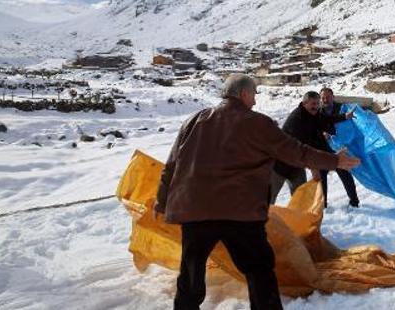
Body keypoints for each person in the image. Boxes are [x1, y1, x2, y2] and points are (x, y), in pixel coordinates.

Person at [154, 74, 359, 310]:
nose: (255, 101)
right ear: (243, 94)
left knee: (191, 272)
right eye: (253, 94)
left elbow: (171, 165)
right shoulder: (257, 123)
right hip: (239, 213)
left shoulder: (194, 120)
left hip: (195, 210)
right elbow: (296, 152)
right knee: (259, 270)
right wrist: (334, 161)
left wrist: (162, 200)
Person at [270, 90, 354, 205]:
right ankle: (259, 221)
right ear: (304, 103)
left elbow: (327, 119)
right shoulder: (297, 120)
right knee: (269, 198)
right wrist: (313, 166)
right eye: (313, 104)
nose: (316, 106)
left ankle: (299, 220)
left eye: (317, 103)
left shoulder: (314, 114)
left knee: (301, 197)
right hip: (279, 164)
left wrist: (345, 116)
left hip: (297, 164)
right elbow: (303, 148)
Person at [319, 87, 359, 208]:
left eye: (328, 97)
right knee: (322, 177)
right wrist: (322, 134)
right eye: (323, 97)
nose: (325, 99)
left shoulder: (342, 108)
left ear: (333, 97)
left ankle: (354, 202)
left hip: (340, 149)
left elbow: (352, 124)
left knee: (345, 174)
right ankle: (323, 203)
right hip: (324, 149)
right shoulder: (318, 112)